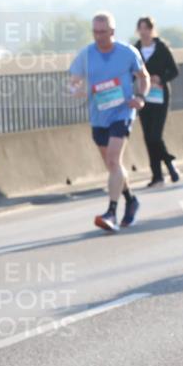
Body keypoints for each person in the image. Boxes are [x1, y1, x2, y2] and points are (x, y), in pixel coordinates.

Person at [69, 12, 149, 231]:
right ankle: (131, 200)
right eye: (95, 32)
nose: (99, 36)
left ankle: (111, 212)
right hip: (98, 116)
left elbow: (144, 77)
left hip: (122, 113)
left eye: (103, 32)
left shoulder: (127, 53)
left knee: (114, 160)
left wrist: (140, 98)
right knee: (113, 166)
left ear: (112, 32)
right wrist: (76, 89)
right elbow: (73, 81)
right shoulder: (85, 55)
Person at [133, 16, 180, 186]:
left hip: (160, 96)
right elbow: (130, 71)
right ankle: (157, 175)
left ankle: (169, 163)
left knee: (155, 135)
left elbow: (174, 71)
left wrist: (160, 79)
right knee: (147, 136)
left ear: (152, 30)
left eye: (146, 28)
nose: (144, 32)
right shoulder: (135, 50)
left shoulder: (161, 48)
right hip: (144, 96)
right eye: (141, 28)